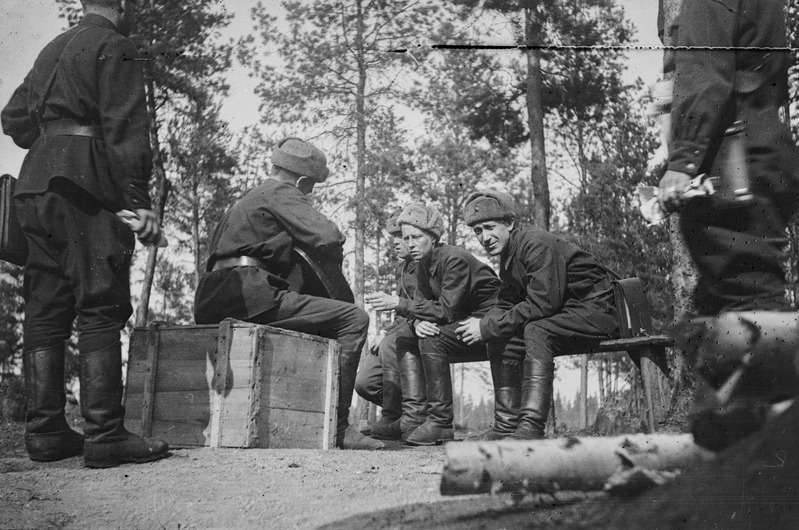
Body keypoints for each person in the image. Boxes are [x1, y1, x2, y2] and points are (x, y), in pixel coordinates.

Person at [1, 0, 168, 467]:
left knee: (45, 307)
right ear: (121, 5)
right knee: (100, 302)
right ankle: (105, 435)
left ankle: (46, 432)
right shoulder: (119, 45)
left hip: (33, 187)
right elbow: (127, 126)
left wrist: (54, 137)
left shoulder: (52, 47)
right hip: (84, 187)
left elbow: (13, 117)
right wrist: (137, 200)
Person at [656, 0, 799, 449]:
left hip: (731, 155)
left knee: (750, 306)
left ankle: (771, 449)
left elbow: (704, 70)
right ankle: (729, 443)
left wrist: (683, 159)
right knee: (717, 304)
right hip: (761, 145)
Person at [194, 137, 383, 450]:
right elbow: (327, 236)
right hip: (247, 293)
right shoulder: (282, 191)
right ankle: (339, 427)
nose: (308, 195)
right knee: (353, 318)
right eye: (309, 189)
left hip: (215, 296)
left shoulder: (252, 198)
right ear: (302, 180)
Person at [456, 190, 619, 440]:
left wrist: (489, 326)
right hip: (570, 312)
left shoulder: (534, 244)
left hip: (599, 309)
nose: (484, 237)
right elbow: (507, 301)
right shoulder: (510, 255)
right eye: (477, 231)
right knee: (500, 334)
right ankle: (506, 426)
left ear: (509, 224)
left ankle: (530, 428)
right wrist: (485, 324)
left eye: (489, 227)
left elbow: (543, 303)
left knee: (536, 329)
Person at [369, 203, 500, 446]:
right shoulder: (423, 264)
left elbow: (446, 310)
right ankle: (412, 418)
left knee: (432, 337)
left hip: (492, 321)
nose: (410, 244)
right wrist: (418, 321)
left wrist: (399, 304)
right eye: (406, 238)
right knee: (408, 335)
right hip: (463, 321)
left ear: (433, 236)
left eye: (416, 237)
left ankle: (440, 422)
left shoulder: (453, 259)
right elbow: (423, 304)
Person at [356, 210, 419, 440]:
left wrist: (389, 336)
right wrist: (385, 332)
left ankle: (392, 417)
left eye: (400, 235)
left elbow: (426, 307)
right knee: (366, 382)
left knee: (391, 343)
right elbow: (401, 312)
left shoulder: (427, 264)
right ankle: (408, 410)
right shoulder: (401, 268)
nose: (395, 242)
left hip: (424, 330)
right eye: (393, 236)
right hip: (402, 331)